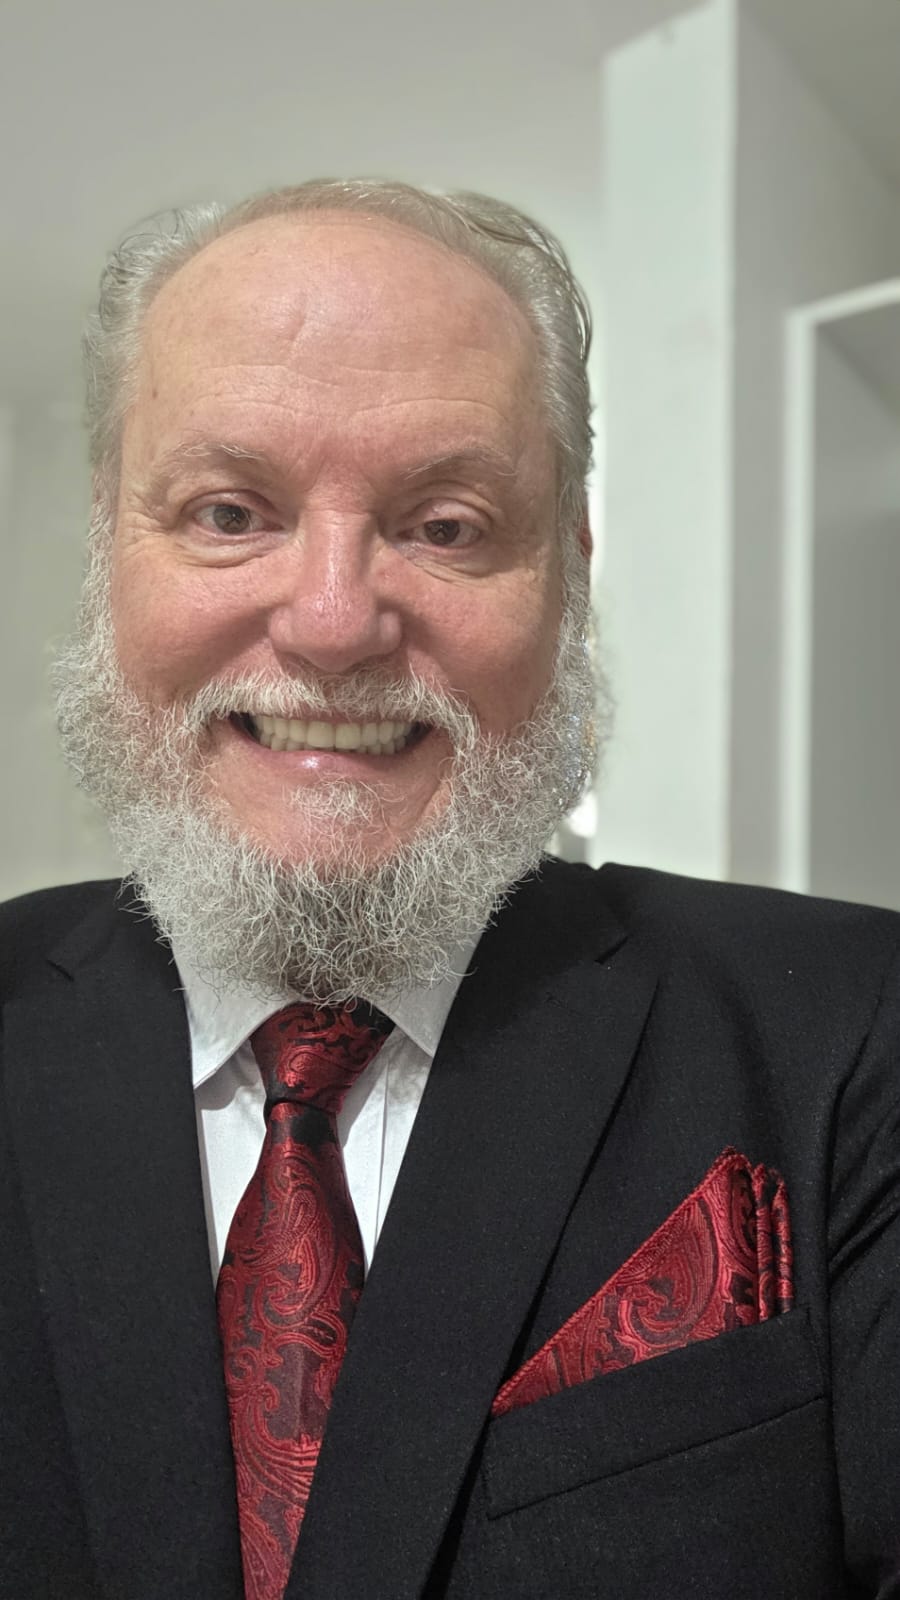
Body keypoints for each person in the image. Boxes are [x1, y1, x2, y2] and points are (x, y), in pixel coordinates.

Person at [1, 178, 897, 1600]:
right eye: (231, 511)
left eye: (449, 525)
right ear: (112, 549)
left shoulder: (854, 1032)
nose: (333, 621)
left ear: (569, 574)